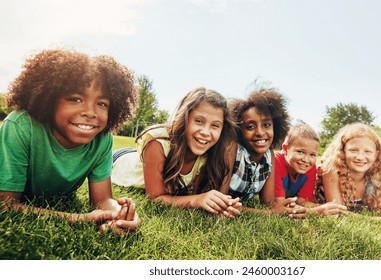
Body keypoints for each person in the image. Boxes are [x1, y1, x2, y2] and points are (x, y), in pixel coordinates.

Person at [0, 48, 141, 234]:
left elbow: (102, 200)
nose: (90, 112)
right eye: (75, 99)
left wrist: (119, 215)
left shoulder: (102, 139)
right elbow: (6, 205)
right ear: (50, 99)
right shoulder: (21, 126)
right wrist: (77, 219)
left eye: (101, 104)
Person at [111, 87, 241, 217]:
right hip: (119, 160)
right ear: (185, 118)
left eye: (215, 125)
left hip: (142, 159)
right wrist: (197, 200)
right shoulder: (157, 141)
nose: (206, 132)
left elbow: (193, 195)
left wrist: (221, 206)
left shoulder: (210, 151)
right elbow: (157, 198)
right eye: (199, 121)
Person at [315, 123, 381, 229]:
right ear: (342, 151)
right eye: (353, 150)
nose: (360, 157)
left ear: (376, 155)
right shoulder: (331, 169)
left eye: (368, 151)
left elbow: (379, 210)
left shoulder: (374, 175)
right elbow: (337, 212)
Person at [223, 87, 307, 218]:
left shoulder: (269, 154)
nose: (260, 132)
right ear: (238, 130)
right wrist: (269, 213)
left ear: (276, 126)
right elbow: (222, 202)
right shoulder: (232, 149)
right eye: (250, 126)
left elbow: (268, 202)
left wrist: (289, 209)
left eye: (266, 125)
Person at [275, 123, 347, 216]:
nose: (306, 160)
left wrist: (328, 207)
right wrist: (317, 211)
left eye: (312, 155)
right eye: (300, 152)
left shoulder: (310, 168)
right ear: (285, 148)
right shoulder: (277, 162)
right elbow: (279, 205)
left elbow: (302, 201)